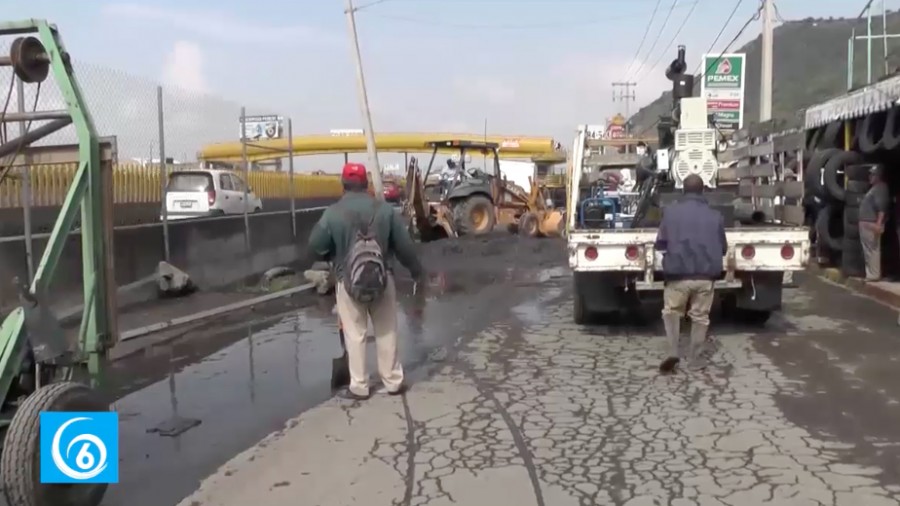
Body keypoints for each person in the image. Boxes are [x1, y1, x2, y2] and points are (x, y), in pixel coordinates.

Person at [308, 162, 424, 400]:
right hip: (383, 280)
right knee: (387, 330)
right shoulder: (384, 210)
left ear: (343, 184)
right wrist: (416, 271)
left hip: (348, 282)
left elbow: (315, 245)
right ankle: (393, 381)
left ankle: (360, 385)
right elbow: (405, 247)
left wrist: (334, 256)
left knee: (355, 333)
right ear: (366, 184)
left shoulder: (332, 213)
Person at [655, 174, 727, 373]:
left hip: (677, 275)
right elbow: (723, 248)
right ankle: (695, 359)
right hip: (705, 277)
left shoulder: (670, 213)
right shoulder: (716, 216)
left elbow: (660, 244)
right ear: (703, 190)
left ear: (683, 190)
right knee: (700, 316)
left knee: (671, 311)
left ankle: (673, 351)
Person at [859, 165, 889, 281]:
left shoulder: (880, 189)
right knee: (868, 250)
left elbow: (881, 208)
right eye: (870, 174)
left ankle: (874, 274)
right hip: (867, 224)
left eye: (873, 175)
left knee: (872, 249)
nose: (870, 177)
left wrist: (878, 223)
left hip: (871, 224)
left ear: (878, 176)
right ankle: (871, 274)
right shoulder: (875, 188)